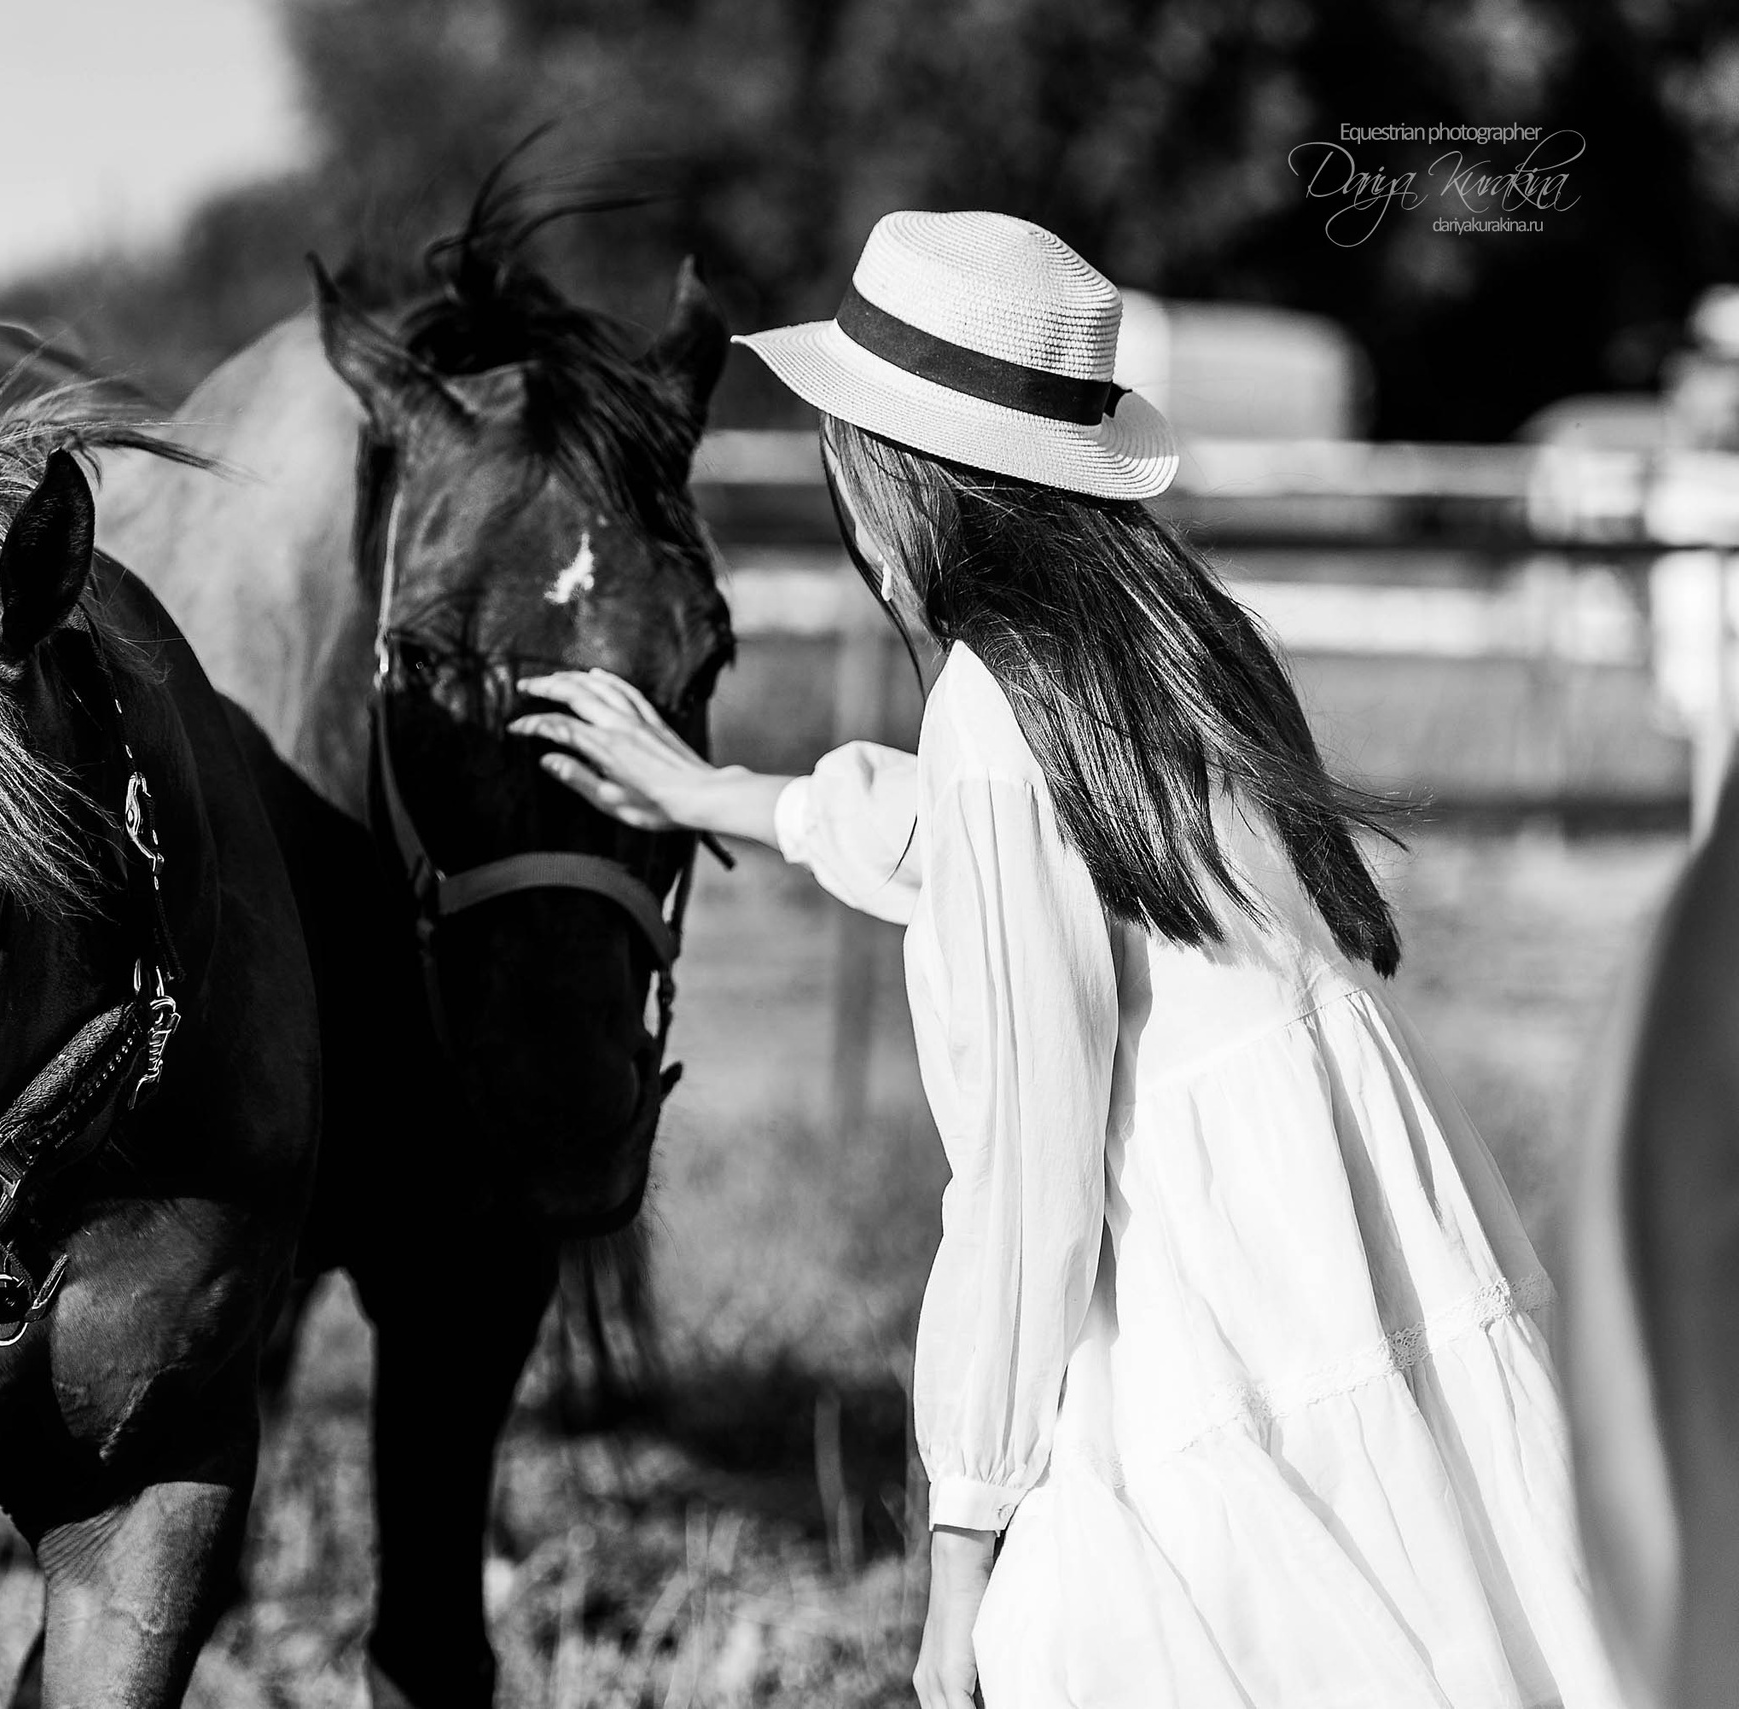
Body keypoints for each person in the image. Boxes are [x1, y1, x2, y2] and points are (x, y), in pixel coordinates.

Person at [512, 210, 1623, 1709]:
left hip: (1198, 1293)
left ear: (890, 469)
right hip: (1332, 1248)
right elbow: (1026, 863)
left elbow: (1030, 1176)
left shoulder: (990, 704)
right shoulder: (1161, 640)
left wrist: (959, 1552)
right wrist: (733, 798)